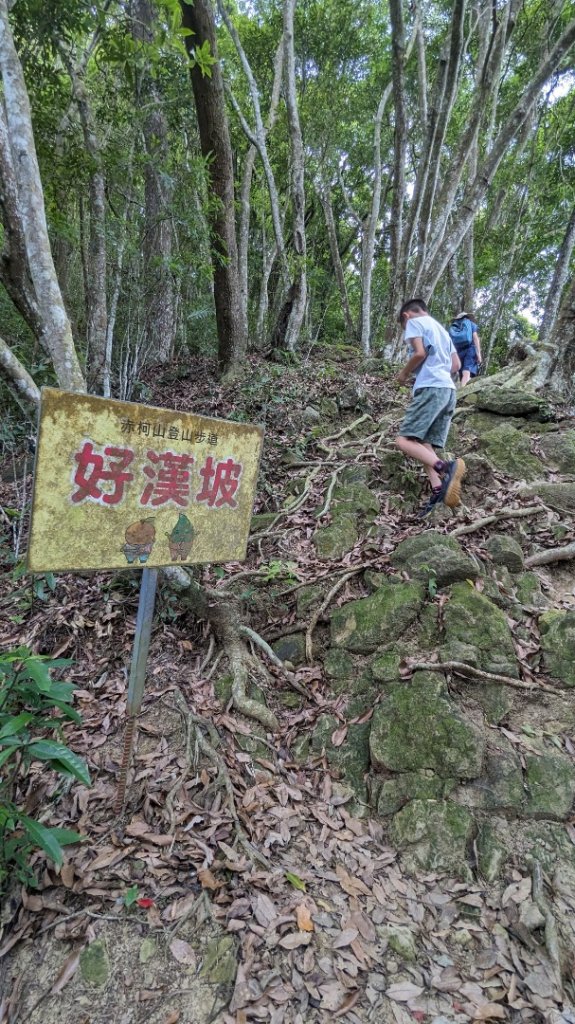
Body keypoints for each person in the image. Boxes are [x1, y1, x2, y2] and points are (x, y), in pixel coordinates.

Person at [395, 298, 466, 517]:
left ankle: (446, 468)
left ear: (407, 316)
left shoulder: (416, 323)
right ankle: (438, 489)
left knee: (404, 441)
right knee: (423, 442)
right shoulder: (443, 332)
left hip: (430, 388)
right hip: (448, 390)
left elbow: (419, 353)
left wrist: (404, 374)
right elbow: (456, 366)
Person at [448, 311, 482, 386]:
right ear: (467, 317)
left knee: (461, 372)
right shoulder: (470, 324)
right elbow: (475, 338)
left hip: (458, 352)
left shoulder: (454, 327)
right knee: (467, 370)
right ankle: (463, 392)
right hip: (470, 349)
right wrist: (479, 354)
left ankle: (461, 388)